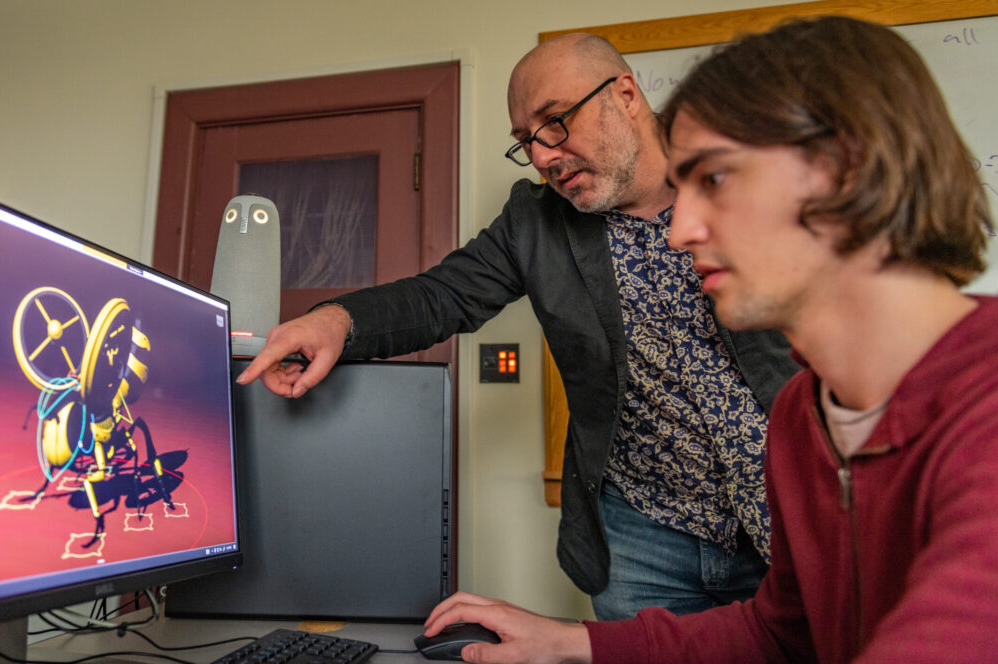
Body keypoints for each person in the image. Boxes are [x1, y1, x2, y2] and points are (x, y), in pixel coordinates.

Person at [422, 15, 998, 663]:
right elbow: (779, 633)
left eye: (715, 180)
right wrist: (570, 642)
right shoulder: (802, 417)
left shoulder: (980, 407)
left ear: (846, 170)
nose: (678, 230)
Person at [236, 33, 798, 618]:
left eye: (555, 123)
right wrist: (336, 321)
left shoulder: (748, 174)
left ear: (626, 95)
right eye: (526, 140)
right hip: (641, 536)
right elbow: (441, 296)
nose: (543, 156)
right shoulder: (535, 222)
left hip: (787, 517)